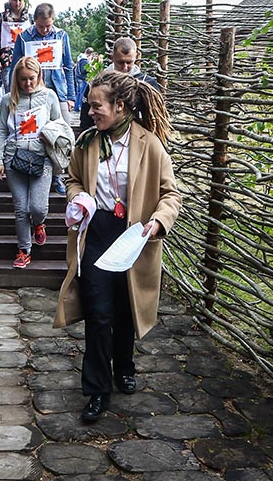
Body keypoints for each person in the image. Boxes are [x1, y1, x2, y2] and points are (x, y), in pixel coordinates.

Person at [54, 70, 181, 422]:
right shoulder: (87, 142)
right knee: (99, 313)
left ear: (119, 106)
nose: (89, 110)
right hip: (96, 232)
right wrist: (78, 197)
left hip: (135, 236)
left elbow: (171, 194)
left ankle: (124, 366)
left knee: (126, 309)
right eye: (89, 105)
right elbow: (73, 179)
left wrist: (158, 222)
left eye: (96, 105)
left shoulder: (149, 144)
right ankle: (96, 390)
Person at [0, 56, 62, 269]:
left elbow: (60, 125)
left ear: (39, 76)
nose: (28, 84)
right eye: (23, 79)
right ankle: (24, 250)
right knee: (21, 208)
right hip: (15, 159)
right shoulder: (7, 99)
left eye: (32, 78)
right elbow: (1, 131)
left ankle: (40, 223)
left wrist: (54, 140)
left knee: (37, 207)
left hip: (42, 159)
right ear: (17, 79)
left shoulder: (49, 96)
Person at [10, 2, 75, 196]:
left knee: (62, 134)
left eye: (48, 26)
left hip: (57, 91)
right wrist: (12, 95)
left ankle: (58, 176)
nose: (45, 30)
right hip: (30, 94)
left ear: (53, 21)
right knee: (34, 133)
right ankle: (32, 172)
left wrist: (71, 96)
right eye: (41, 26)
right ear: (34, 21)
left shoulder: (62, 36)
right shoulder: (24, 37)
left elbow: (68, 65)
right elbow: (15, 67)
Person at [79, 37, 160, 131]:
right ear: (112, 57)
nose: (125, 67)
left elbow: (157, 119)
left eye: (129, 62)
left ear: (137, 56)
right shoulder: (98, 83)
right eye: (120, 62)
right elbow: (86, 119)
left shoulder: (147, 83)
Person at [0, 0, 32, 93]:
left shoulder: (31, 19)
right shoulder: (0, 18)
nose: (17, 3)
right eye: (14, 0)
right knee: (10, 91)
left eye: (20, 0)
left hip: (27, 61)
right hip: (7, 61)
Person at [73, 47, 94, 112]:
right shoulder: (84, 61)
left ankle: (76, 107)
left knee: (78, 93)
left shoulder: (79, 59)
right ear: (90, 53)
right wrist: (90, 68)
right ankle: (81, 107)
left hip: (78, 77)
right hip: (82, 78)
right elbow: (84, 70)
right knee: (82, 94)